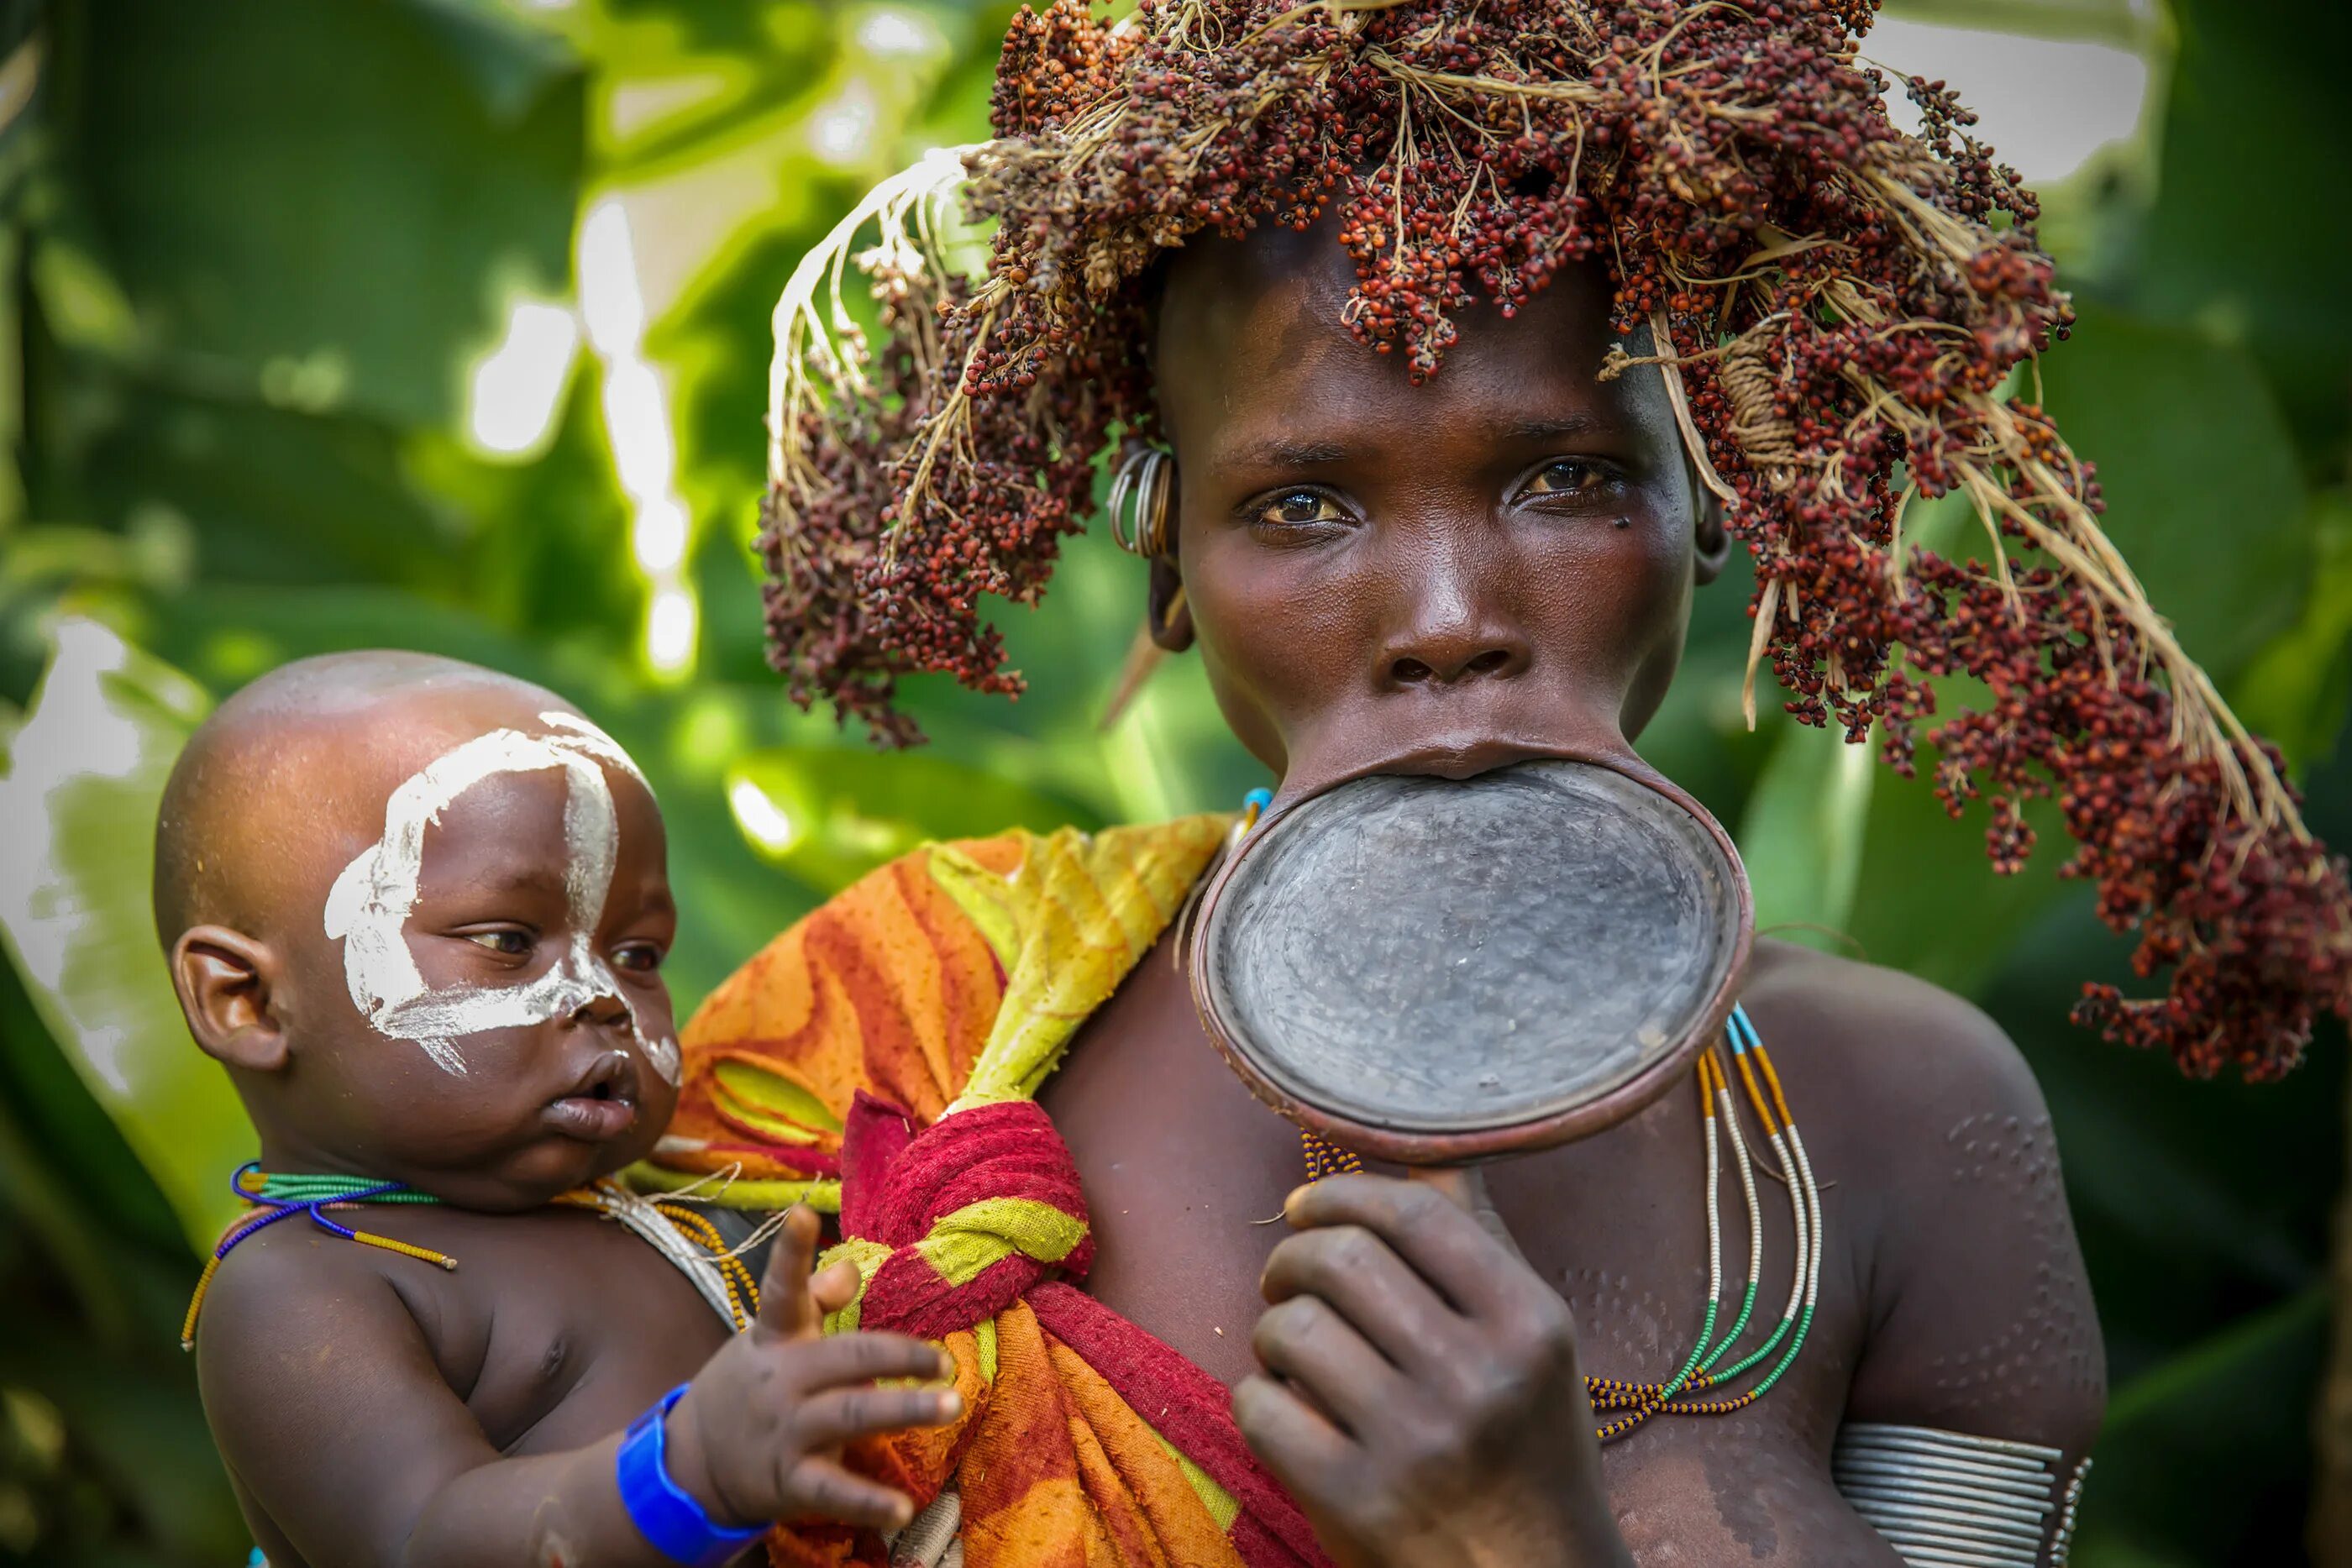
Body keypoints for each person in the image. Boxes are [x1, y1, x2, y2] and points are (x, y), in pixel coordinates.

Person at [645, 2, 2352, 1565]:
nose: (1448, 618)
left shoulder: (1903, 1120)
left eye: (1562, 479)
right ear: (1165, 568)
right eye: (1302, 508)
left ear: (1715, 505)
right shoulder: (932, 1033)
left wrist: (1523, 1536)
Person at [159, 652, 962, 1568]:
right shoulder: (297, 1288)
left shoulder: (674, 1194)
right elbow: (423, 1539)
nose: (602, 995)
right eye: (508, 939)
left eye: (638, 952)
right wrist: (688, 1471)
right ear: (247, 1004)